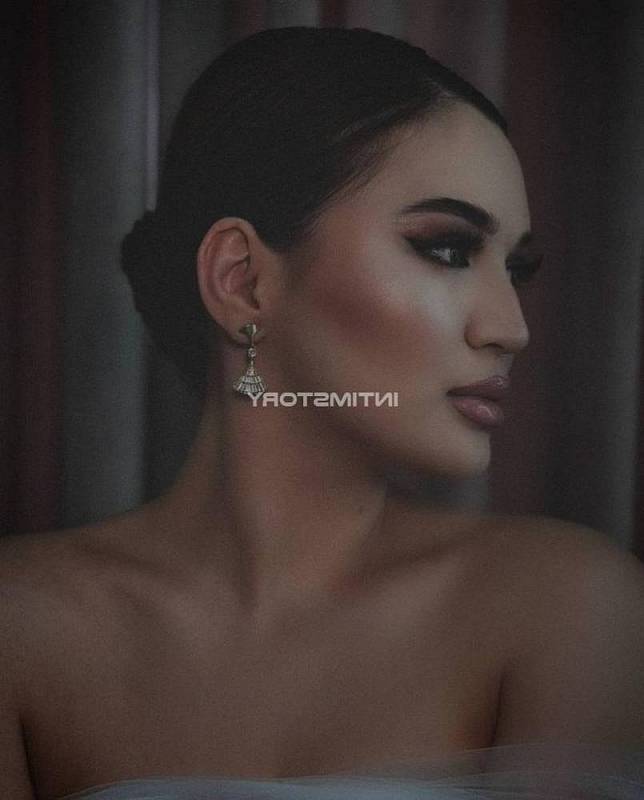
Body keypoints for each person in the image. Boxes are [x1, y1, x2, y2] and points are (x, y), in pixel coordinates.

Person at [2, 25, 644, 800]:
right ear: (243, 280)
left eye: (516, 269)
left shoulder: (567, 605)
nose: (511, 328)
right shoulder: (20, 624)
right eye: (447, 249)